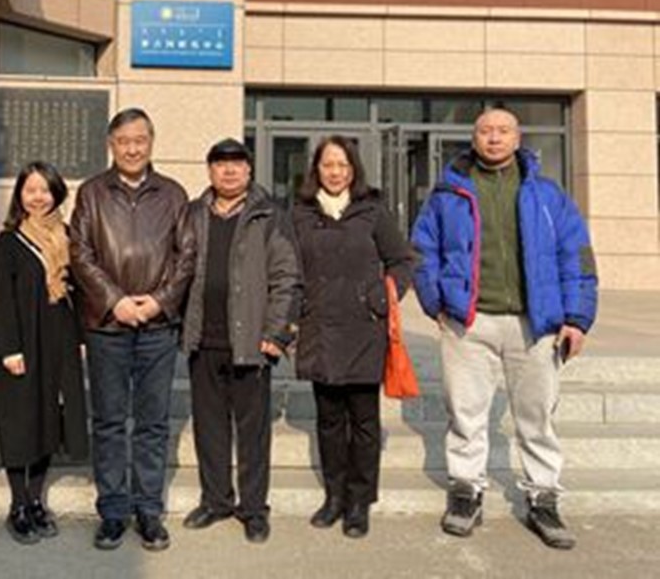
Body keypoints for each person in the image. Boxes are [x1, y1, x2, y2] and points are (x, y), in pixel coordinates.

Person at [411, 107, 598, 550]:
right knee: (466, 413)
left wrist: (577, 317)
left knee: (536, 416)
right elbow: (422, 250)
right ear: (474, 138)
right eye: (485, 131)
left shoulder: (547, 195)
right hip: (468, 322)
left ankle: (543, 498)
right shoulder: (448, 193)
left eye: (503, 131)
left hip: (534, 323)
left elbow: (576, 255)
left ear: (517, 138)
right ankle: (466, 492)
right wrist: (436, 301)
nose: (493, 138)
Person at [69, 108, 190, 552]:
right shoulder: (92, 192)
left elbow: (187, 255)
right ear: (111, 145)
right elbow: (80, 252)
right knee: (109, 421)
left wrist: (158, 301)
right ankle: (113, 511)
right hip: (107, 325)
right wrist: (115, 301)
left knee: (153, 423)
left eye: (140, 140)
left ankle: (148, 510)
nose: (132, 149)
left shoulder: (172, 194)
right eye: (124, 141)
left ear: (151, 142)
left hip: (158, 326)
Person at [178, 138, 302, 543]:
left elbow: (287, 276)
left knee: (252, 433)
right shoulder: (193, 214)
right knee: (209, 428)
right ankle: (215, 501)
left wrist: (276, 332)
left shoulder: (269, 215)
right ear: (209, 170)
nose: (229, 171)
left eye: (236, 164)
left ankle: (253, 509)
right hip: (204, 339)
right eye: (220, 164)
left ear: (249, 170)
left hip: (251, 342)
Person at [291, 135, 414, 539]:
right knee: (328, 420)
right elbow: (288, 267)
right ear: (316, 169)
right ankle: (334, 497)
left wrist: (383, 296)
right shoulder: (300, 214)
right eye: (328, 164)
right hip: (319, 328)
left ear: (353, 169)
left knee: (363, 420)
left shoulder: (372, 211)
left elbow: (401, 261)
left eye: (342, 165)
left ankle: (359, 502)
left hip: (364, 328)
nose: (335, 172)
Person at [0, 161, 89, 545]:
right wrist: (9, 348)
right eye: (30, 190)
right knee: (20, 420)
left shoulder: (66, 235)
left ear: (56, 193)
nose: (38, 197)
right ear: (20, 195)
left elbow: (76, 290)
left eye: (45, 190)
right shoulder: (10, 241)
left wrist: (79, 337)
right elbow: (2, 299)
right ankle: (17, 504)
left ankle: (35, 501)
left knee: (48, 417)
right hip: (21, 342)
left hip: (58, 338)